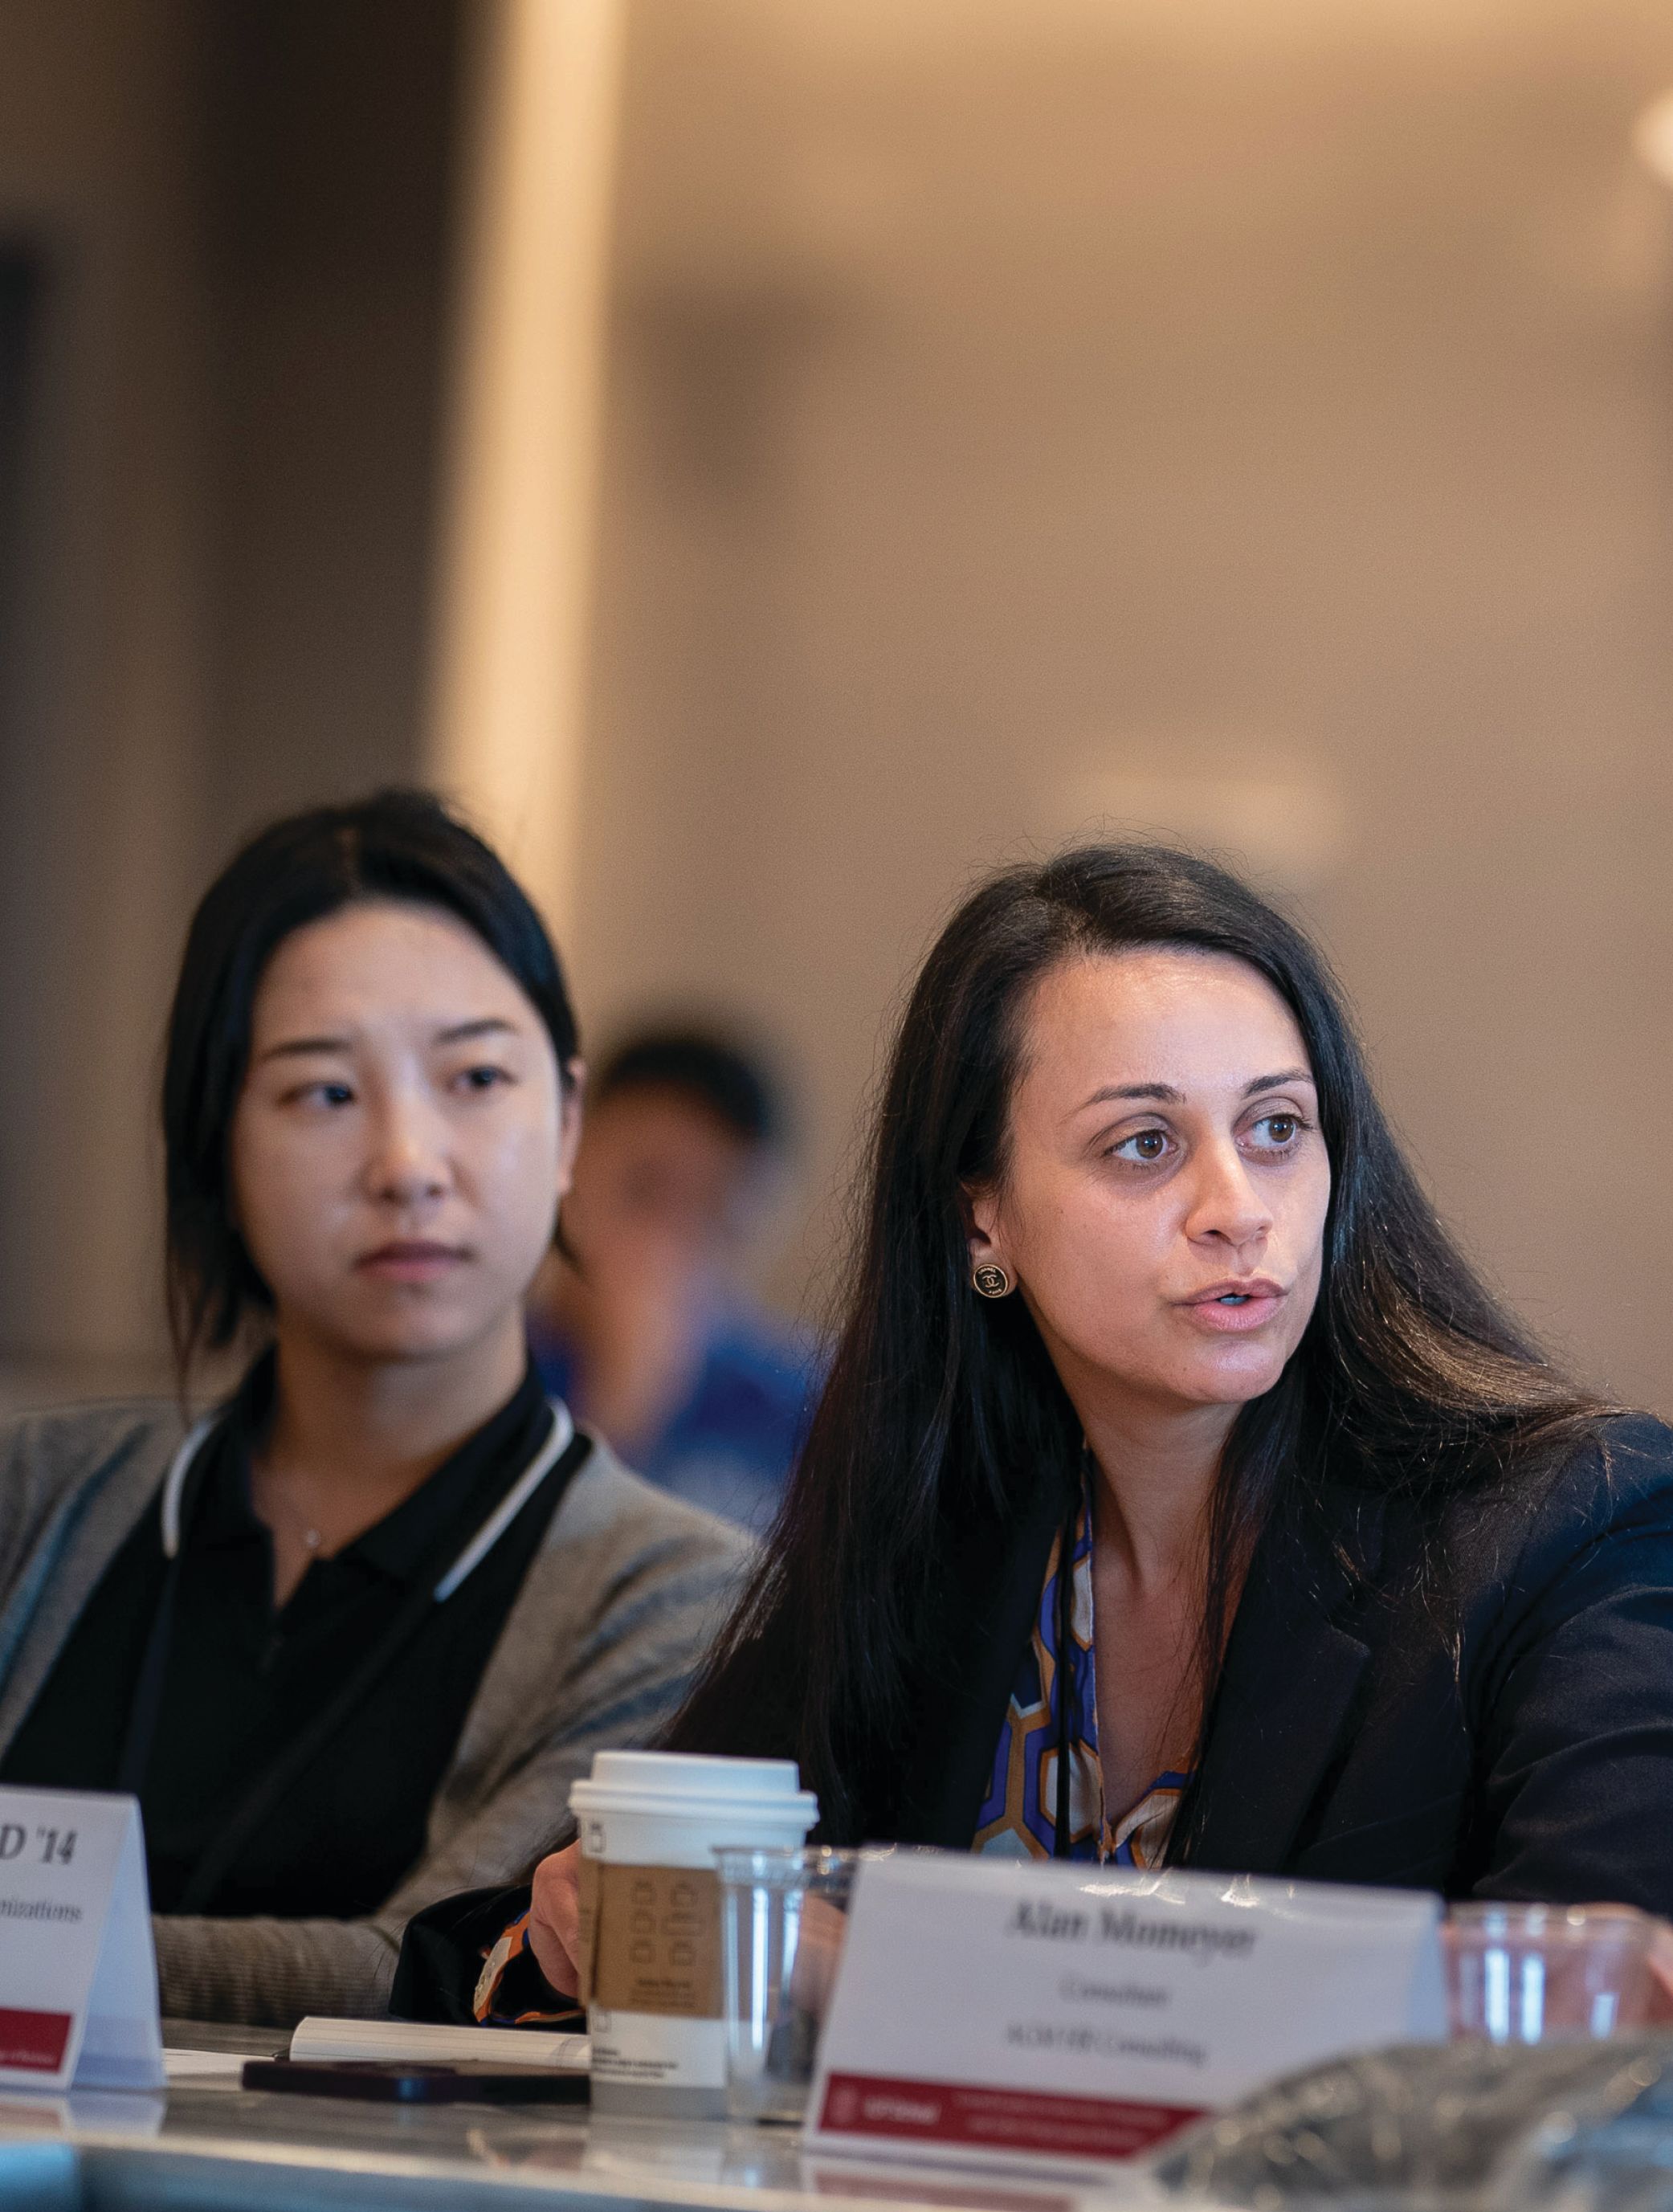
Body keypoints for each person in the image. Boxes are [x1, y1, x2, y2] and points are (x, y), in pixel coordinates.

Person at [396, 841, 1673, 2026]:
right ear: (981, 1223)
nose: (1238, 1209)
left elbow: (1609, 2020)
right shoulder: (937, 1543)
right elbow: (526, 1940)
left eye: (1276, 1128)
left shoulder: (1567, 1528)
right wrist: (573, 1925)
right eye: (1142, 1143)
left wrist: (856, 1974)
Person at [0, 791, 751, 2026]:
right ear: (214, 1150)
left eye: (473, 1077)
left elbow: (435, 1965)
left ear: (566, 1123)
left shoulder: (679, 1597)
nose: (409, 1162)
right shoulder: (39, 1497)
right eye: (323, 1094)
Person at [528, 1030, 818, 1532]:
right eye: (644, 1190)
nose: (671, 1240)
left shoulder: (816, 1404)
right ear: (565, 1159)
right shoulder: (480, 1376)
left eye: (717, 1213)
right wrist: (618, 1410)